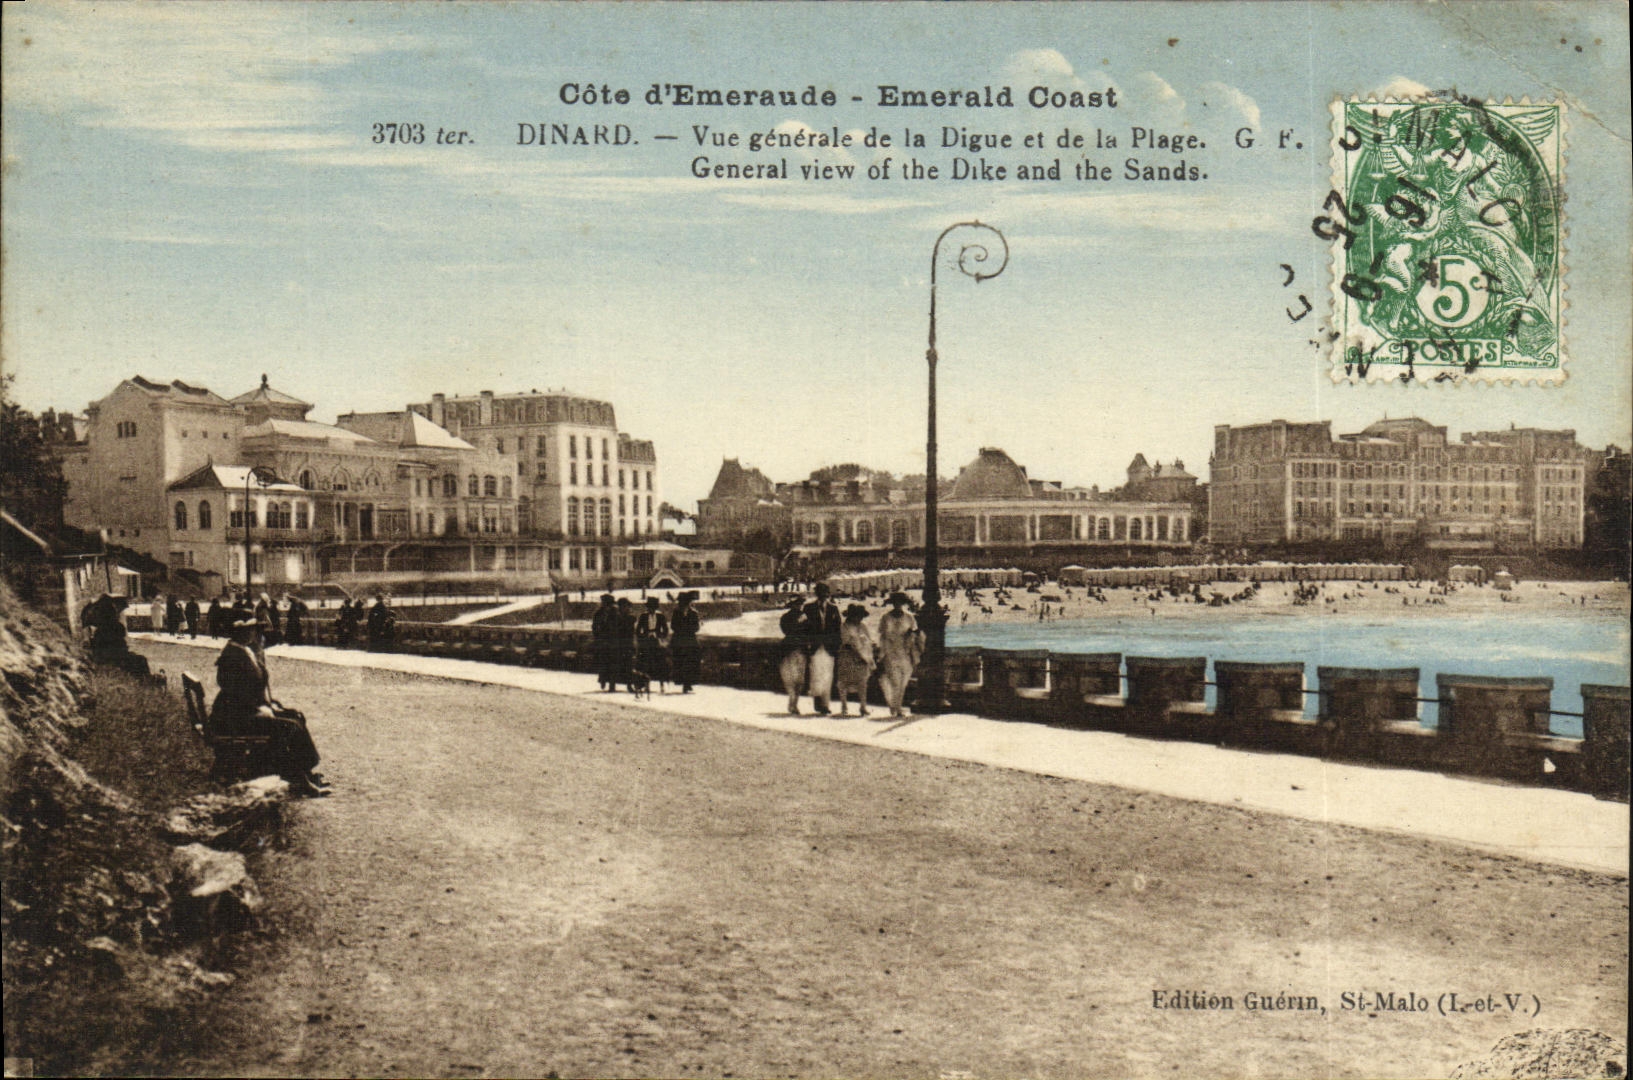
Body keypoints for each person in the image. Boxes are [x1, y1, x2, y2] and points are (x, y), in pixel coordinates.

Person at [208, 618, 327, 797]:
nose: (253, 633)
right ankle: (299, 780)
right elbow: (235, 693)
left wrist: (268, 704)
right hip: (235, 718)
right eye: (249, 630)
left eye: (253, 630)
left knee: (295, 716)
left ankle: (305, 772)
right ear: (238, 632)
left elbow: (251, 687)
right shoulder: (231, 656)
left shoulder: (242, 650)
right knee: (287, 727)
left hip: (242, 712)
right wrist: (260, 708)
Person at [876, 591, 924, 718]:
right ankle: (897, 708)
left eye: (900, 603)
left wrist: (911, 635)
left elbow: (916, 633)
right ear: (892, 603)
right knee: (895, 681)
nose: (898, 605)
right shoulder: (886, 618)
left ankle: (895, 705)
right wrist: (881, 654)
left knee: (904, 682)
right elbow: (882, 637)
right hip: (890, 652)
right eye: (896, 603)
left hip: (905, 652)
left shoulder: (909, 617)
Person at [802, 582, 843, 716]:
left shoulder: (833, 609)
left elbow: (838, 629)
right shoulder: (808, 608)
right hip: (814, 647)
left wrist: (837, 646)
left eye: (825, 594)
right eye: (821, 594)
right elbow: (804, 628)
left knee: (828, 676)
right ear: (817, 594)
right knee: (816, 675)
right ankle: (818, 702)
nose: (823, 597)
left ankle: (825, 704)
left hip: (829, 647)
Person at [835, 603, 876, 717]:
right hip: (848, 657)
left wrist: (867, 654)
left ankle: (863, 706)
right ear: (851, 616)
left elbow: (869, 640)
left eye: (860, 616)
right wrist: (858, 654)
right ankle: (844, 705)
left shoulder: (863, 626)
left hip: (862, 657)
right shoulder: (845, 627)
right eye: (856, 616)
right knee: (844, 681)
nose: (859, 618)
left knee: (862, 682)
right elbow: (847, 643)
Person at [777, 596, 810, 715]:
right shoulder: (790, 617)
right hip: (794, 649)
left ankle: (793, 702)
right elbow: (789, 631)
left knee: (798, 680)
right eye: (798, 604)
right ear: (793, 605)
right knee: (794, 679)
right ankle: (793, 702)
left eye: (800, 604)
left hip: (795, 648)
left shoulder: (802, 617)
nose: (799, 606)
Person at [634, 596, 671, 693]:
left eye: (653, 607)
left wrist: (660, 636)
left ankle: (662, 684)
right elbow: (638, 630)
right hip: (646, 642)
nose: (651, 609)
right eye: (650, 607)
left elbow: (666, 630)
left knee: (661, 663)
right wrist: (642, 637)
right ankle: (646, 685)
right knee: (645, 664)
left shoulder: (660, 616)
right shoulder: (643, 616)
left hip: (656, 641)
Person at [668, 591, 701, 693]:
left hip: (690, 641)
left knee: (691, 662)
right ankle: (684, 683)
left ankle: (688, 683)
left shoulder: (694, 613)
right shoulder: (676, 612)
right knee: (680, 662)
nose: (682, 604)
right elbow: (673, 626)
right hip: (679, 640)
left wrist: (686, 629)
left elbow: (696, 627)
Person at [590, 594, 620, 691]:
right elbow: (594, 626)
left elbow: (619, 625)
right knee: (603, 662)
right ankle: (603, 680)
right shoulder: (598, 613)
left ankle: (612, 685)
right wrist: (597, 636)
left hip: (613, 641)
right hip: (602, 641)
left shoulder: (615, 612)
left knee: (613, 663)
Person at [610, 598, 638, 691]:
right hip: (617, 644)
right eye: (624, 606)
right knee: (615, 665)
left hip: (627, 644)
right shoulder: (616, 617)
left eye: (627, 606)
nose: (625, 608)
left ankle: (629, 686)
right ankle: (612, 685)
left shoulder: (630, 617)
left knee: (628, 665)